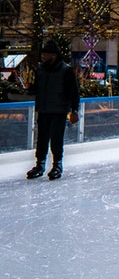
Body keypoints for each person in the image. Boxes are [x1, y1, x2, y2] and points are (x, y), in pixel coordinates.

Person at [26, 40, 81, 181]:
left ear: (54, 55)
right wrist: (29, 88)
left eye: (45, 54)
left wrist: (74, 110)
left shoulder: (66, 70)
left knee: (56, 138)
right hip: (43, 109)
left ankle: (57, 164)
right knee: (41, 139)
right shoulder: (41, 70)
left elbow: (73, 92)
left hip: (59, 110)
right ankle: (40, 164)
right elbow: (37, 88)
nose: (42, 56)